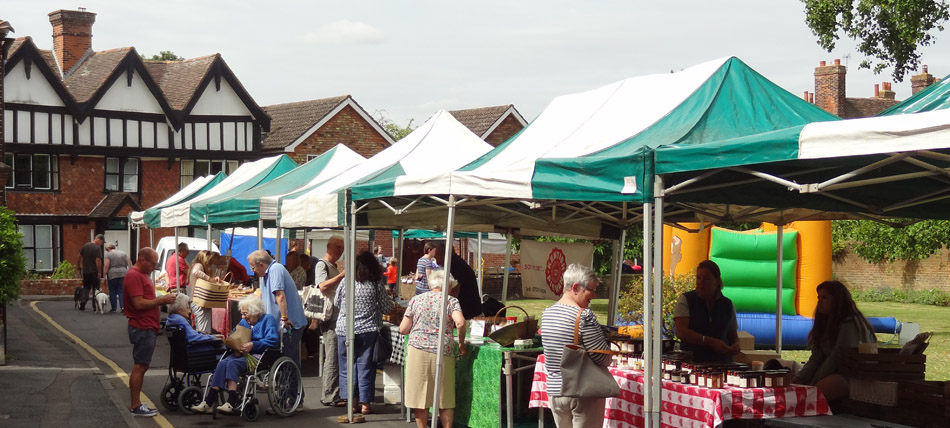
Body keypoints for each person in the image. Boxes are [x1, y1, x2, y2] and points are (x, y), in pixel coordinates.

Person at [540, 264, 611, 428]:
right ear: (576, 287)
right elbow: (601, 356)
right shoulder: (584, 315)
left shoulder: (547, 313)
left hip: (555, 391)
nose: (593, 295)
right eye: (591, 290)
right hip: (581, 390)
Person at [190, 295, 279, 415]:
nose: (242, 316)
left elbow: (273, 340)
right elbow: (234, 337)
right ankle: (208, 402)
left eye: (245, 313)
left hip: (258, 355)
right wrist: (231, 345)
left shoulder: (268, 320)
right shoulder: (244, 322)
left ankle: (231, 402)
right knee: (222, 363)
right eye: (242, 313)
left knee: (232, 363)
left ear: (255, 312)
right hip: (240, 354)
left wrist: (254, 344)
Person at [400, 270, 467, 428]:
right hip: (444, 349)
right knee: (445, 395)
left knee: (420, 394)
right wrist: (462, 344)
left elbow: (403, 329)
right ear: (449, 285)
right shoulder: (451, 301)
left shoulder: (416, 300)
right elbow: (461, 323)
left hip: (418, 348)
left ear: (431, 284)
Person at [334, 251, 394, 421]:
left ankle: (351, 403)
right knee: (366, 366)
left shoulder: (346, 282)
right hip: (367, 330)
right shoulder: (375, 284)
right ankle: (365, 403)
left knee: (347, 367)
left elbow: (336, 302)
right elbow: (386, 307)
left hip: (345, 329)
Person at [793, 280, 876, 401]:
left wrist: (813, 382)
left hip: (851, 375)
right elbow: (817, 356)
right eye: (818, 298)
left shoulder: (850, 323)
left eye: (824, 298)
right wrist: (800, 378)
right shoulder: (825, 322)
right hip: (833, 372)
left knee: (813, 396)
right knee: (798, 390)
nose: (819, 302)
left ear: (837, 301)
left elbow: (837, 357)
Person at [247, 249, 307, 408]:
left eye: (253, 268)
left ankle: (293, 399)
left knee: (288, 362)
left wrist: (285, 319)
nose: (253, 271)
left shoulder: (275, 270)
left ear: (261, 264)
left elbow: (280, 296)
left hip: (289, 325)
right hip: (279, 325)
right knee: (284, 362)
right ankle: (290, 398)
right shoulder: (268, 273)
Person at [123, 247, 177, 417]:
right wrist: (162, 300)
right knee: (140, 366)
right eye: (153, 263)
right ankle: (135, 405)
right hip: (142, 327)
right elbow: (138, 304)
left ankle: (136, 404)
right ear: (142, 259)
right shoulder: (133, 276)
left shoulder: (140, 276)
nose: (154, 267)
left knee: (142, 365)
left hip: (146, 326)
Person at [674, 260, 740, 363]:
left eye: (706, 279)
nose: (700, 282)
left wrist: (736, 345)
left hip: (722, 364)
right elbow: (681, 332)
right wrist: (711, 342)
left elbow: (733, 335)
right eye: (699, 278)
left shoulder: (728, 304)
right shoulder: (686, 299)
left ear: (717, 281)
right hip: (693, 363)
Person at [314, 235, 346, 407]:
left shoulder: (332, 266)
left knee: (336, 355)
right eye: (338, 247)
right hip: (329, 317)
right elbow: (322, 286)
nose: (340, 251)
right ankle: (329, 395)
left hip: (337, 316)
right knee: (332, 357)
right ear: (328, 247)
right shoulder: (322, 265)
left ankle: (334, 392)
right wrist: (342, 275)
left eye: (342, 248)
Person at [433, 241, 483, 319]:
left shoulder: (455, 265)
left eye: (437, 256)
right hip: (468, 310)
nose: (436, 260)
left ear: (445, 254)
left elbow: (455, 291)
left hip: (468, 311)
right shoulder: (455, 263)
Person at [188, 250, 220, 334]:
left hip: (200, 302)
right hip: (199, 302)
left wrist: (213, 279)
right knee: (203, 330)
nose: (211, 263)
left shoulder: (198, 266)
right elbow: (196, 272)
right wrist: (209, 278)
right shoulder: (198, 265)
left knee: (203, 328)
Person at [76, 234, 104, 311]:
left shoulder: (85, 245)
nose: (101, 244)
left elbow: (79, 256)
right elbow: (98, 260)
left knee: (86, 287)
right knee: (96, 289)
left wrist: (79, 266)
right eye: (102, 242)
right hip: (94, 271)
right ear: (99, 240)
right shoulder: (97, 248)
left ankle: (83, 301)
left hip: (86, 271)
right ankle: (95, 306)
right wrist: (99, 272)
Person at [103, 242, 131, 313]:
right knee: (121, 291)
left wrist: (104, 277)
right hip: (123, 273)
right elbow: (129, 263)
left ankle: (114, 308)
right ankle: (122, 307)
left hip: (112, 274)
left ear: (108, 249)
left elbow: (106, 266)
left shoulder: (108, 255)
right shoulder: (123, 253)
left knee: (112, 291)